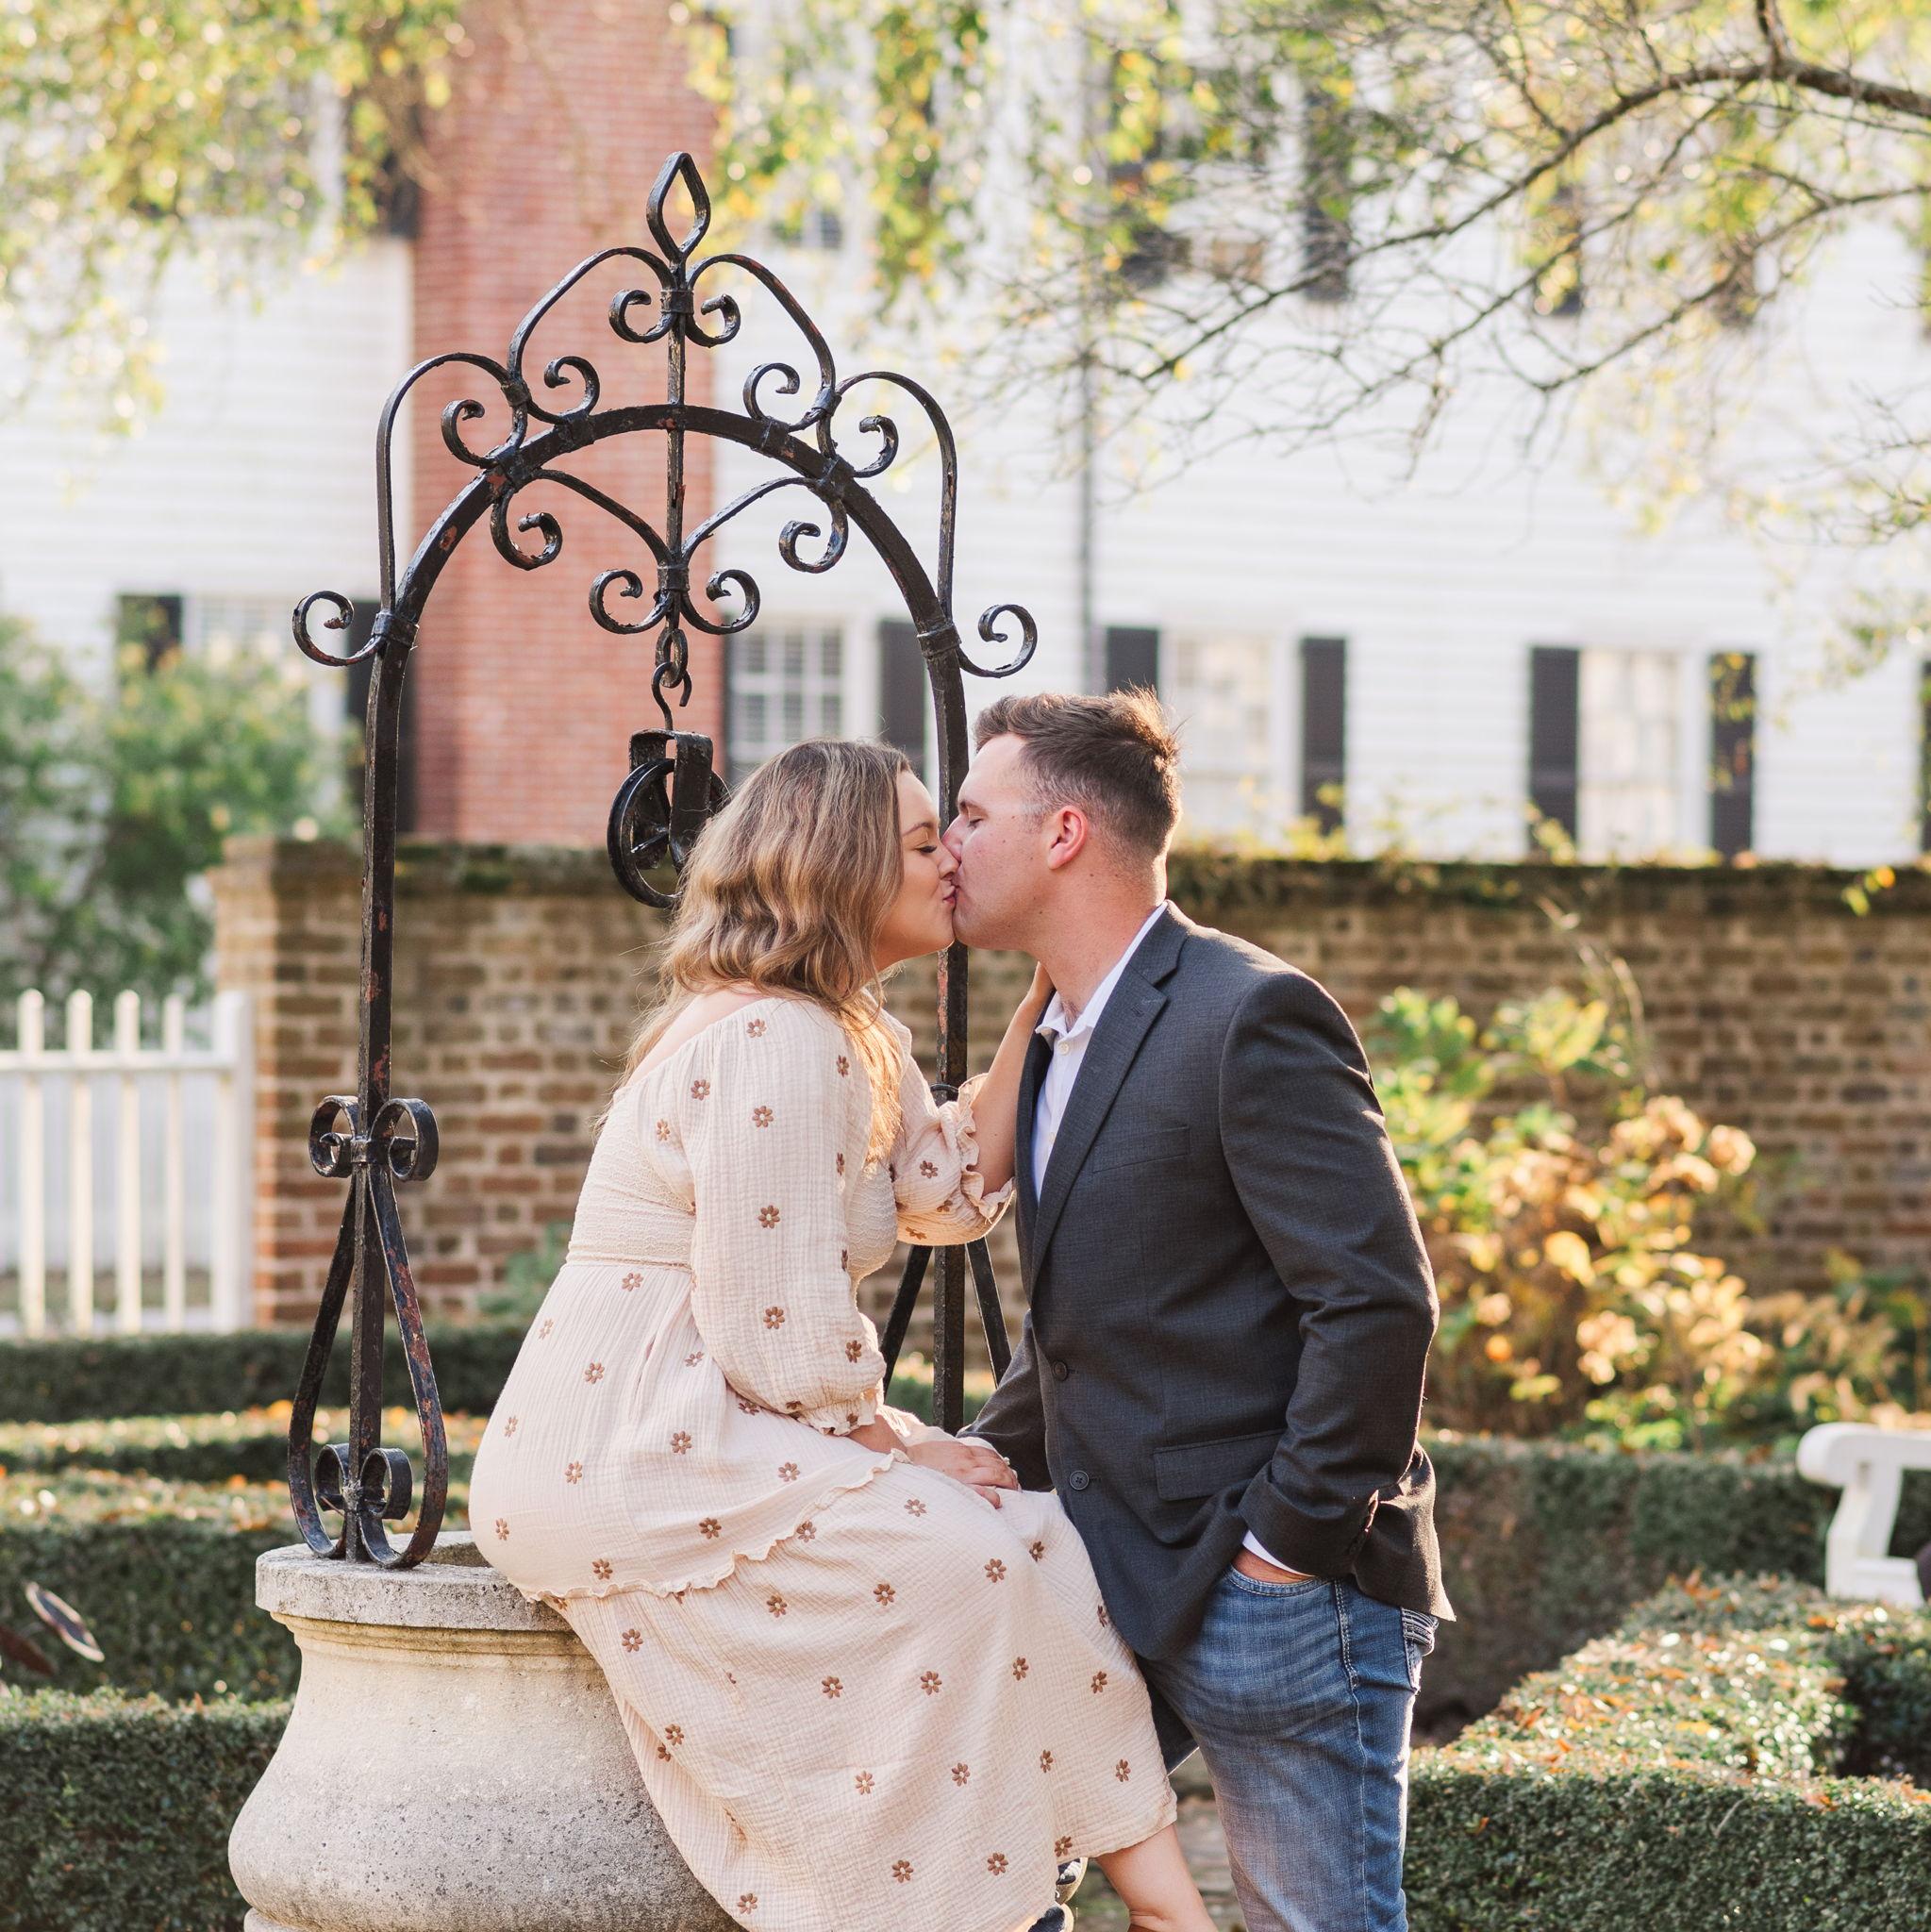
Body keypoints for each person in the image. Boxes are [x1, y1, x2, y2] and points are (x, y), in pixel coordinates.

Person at [469, 738, 1214, 1932]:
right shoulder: (773, 1036)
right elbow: (775, 1326)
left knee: (1030, 1538)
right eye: (923, 840)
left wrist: (1051, 995)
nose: (950, 857)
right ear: (847, 866)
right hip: (634, 1435)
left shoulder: (846, 1029)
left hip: (703, 1412)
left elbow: (945, 1188)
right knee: (967, 1555)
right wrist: (903, 1445)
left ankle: (1156, 1906)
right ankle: (986, 1903)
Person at [949, 689, 1454, 1932]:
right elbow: (1099, 1317)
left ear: (1063, 832)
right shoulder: (1055, 1038)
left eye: (969, 813)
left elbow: (1375, 1300)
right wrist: (975, 1458)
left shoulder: (1248, 1013)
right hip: (1115, 1574)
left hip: (1277, 1592)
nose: (946, 844)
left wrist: (1284, 1550)